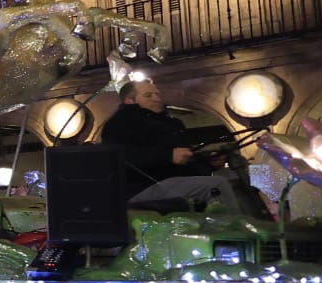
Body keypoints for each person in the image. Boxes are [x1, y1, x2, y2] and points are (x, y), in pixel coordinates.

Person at [99, 79, 253, 212]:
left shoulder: (170, 123)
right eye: (148, 95)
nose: (156, 98)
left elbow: (179, 161)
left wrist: (207, 163)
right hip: (141, 187)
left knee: (233, 183)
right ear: (129, 101)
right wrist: (168, 156)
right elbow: (121, 156)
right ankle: (233, 236)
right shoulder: (119, 123)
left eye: (157, 94)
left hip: (169, 182)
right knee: (217, 185)